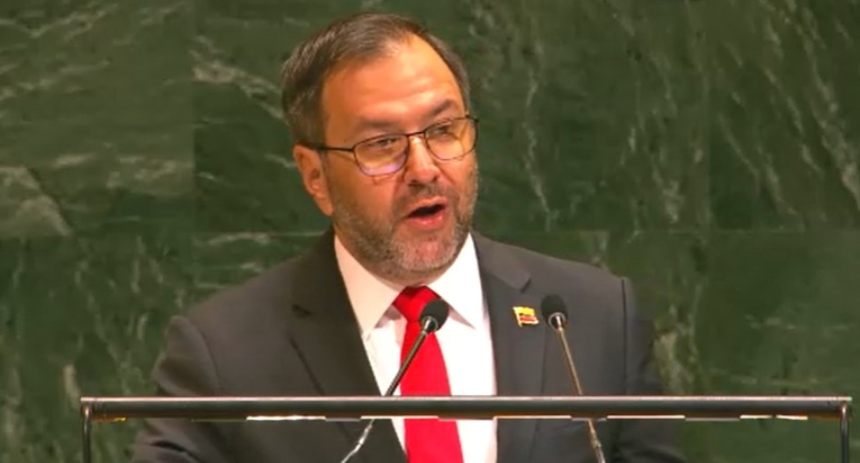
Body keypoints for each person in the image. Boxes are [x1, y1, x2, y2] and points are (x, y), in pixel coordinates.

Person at [133, 12, 685, 463]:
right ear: (315, 176)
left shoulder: (594, 317)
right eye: (381, 144)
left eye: (443, 130)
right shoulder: (224, 354)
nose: (423, 168)